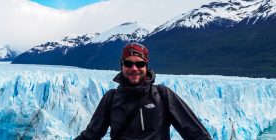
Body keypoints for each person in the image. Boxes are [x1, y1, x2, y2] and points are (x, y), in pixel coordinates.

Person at [75, 43, 212, 140]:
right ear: (122, 66)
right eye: (128, 63)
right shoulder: (111, 98)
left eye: (140, 63)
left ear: (146, 66)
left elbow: (195, 134)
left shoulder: (162, 95)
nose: (134, 68)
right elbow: (91, 135)